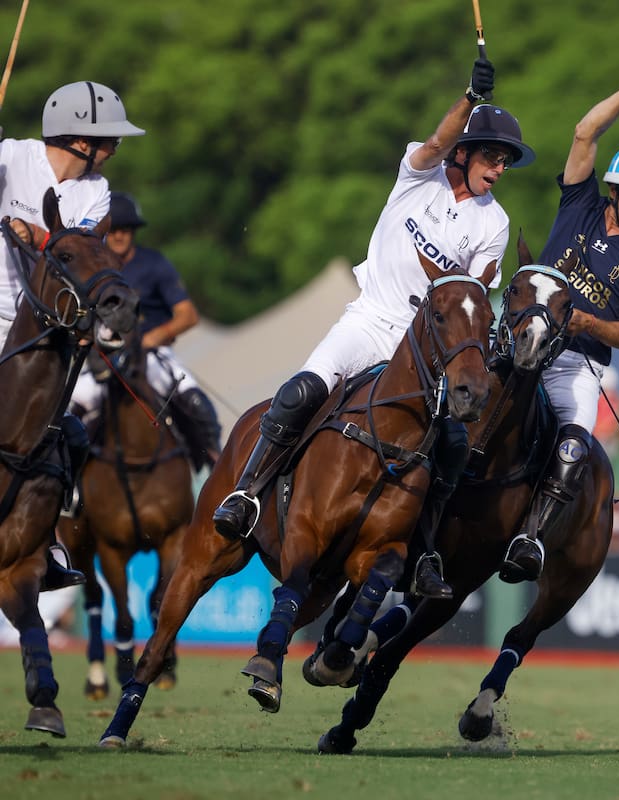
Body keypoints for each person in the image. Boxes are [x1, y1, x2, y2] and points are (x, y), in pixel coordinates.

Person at [210, 57, 532, 599]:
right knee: (301, 391)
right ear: (465, 151)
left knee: (452, 443)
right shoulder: (420, 174)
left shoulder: (493, 222)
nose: (499, 169)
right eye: (493, 156)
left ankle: (425, 548)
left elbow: (475, 294)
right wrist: (469, 100)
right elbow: (434, 141)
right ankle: (245, 494)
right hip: (368, 320)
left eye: (505, 162)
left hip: (424, 350)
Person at [499, 70, 619, 583]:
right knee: (460, 393)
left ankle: (530, 538)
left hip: (576, 360)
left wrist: (584, 321)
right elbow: (584, 134)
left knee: (575, 442)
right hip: (520, 335)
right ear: (616, 190)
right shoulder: (579, 202)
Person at [0, 81, 145, 591]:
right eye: (110, 141)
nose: (114, 150)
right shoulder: (10, 157)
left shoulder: (94, 192)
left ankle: (43, 542)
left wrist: (36, 236)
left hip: (42, 331)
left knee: (70, 436)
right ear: (80, 140)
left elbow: (74, 255)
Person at [69, 191, 222, 473]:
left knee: (193, 398)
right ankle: (66, 481)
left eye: (126, 229)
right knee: (72, 408)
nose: (118, 236)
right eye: (113, 230)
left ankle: (219, 467)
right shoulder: (88, 269)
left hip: (150, 356)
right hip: (101, 360)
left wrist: (150, 339)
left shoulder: (154, 263)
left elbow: (188, 315)